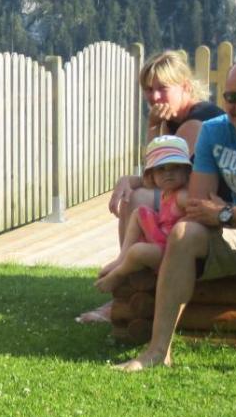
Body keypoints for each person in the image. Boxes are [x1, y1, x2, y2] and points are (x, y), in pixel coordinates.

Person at [116, 58, 236, 384]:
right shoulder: (214, 131)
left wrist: (227, 213)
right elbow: (198, 205)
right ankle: (158, 350)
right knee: (183, 232)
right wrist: (227, 214)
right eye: (232, 97)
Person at [79, 50, 221, 323]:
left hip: (209, 212)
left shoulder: (195, 121)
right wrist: (153, 128)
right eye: (148, 89)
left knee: (139, 198)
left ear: (185, 87)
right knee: (138, 195)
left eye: (162, 88)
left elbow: (161, 177)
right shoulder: (173, 119)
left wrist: (131, 178)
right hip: (189, 205)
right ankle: (128, 283)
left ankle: (125, 287)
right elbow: (158, 172)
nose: (154, 97)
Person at [92, 135, 193, 293]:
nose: (168, 173)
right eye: (161, 169)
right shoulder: (167, 192)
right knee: (140, 212)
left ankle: (119, 273)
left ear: (186, 171)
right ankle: (121, 258)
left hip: (172, 250)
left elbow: (196, 210)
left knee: (138, 251)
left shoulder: (182, 196)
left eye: (175, 167)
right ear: (151, 175)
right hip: (161, 240)